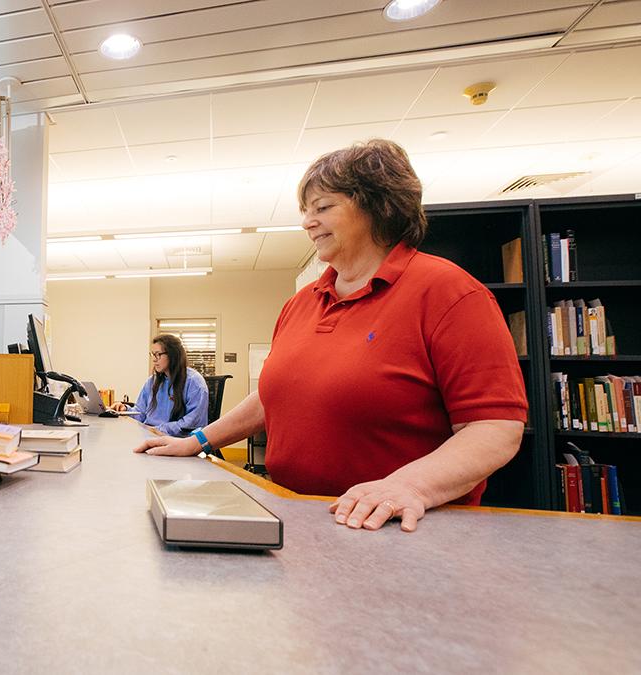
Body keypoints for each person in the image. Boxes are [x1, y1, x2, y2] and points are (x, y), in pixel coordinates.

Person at [133, 139, 527, 532]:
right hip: (299, 516)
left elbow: (494, 428)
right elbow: (275, 396)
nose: (307, 222)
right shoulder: (301, 303)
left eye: (323, 207)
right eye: (306, 211)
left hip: (396, 526)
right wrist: (197, 440)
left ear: (378, 206)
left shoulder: (450, 293)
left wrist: (409, 486)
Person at [113, 334, 208, 436]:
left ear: (173, 355)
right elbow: (141, 413)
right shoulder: (152, 382)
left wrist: (159, 429)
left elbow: (193, 423)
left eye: (158, 354)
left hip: (177, 441)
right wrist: (125, 409)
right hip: (150, 436)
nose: (154, 359)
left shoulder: (194, 382)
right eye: (153, 354)